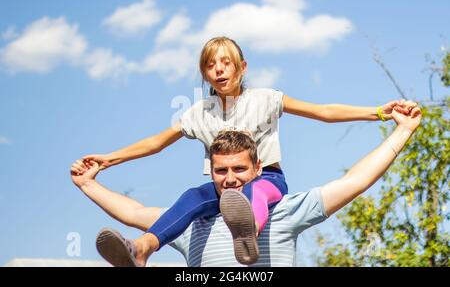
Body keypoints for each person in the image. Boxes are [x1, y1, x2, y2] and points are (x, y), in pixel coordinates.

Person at [72, 36, 416, 265]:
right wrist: (108, 159)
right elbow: (155, 143)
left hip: (268, 181)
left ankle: (248, 233)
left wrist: (378, 112)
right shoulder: (199, 113)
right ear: (204, 72)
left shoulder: (265, 99)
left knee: (254, 192)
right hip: (220, 194)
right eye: (210, 65)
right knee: (194, 196)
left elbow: (322, 111)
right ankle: (142, 248)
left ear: (242, 67)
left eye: (226, 62)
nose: (218, 70)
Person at [71, 104, 422, 266]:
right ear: (211, 170)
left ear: (257, 168)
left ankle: (250, 230)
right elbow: (133, 211)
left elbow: (354, 181)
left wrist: (402, 131)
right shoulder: (192, 222)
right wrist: (88, 184)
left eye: (239, 169)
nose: (231, 178)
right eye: (222, 171)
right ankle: (141, 250)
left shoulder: (284, 211)